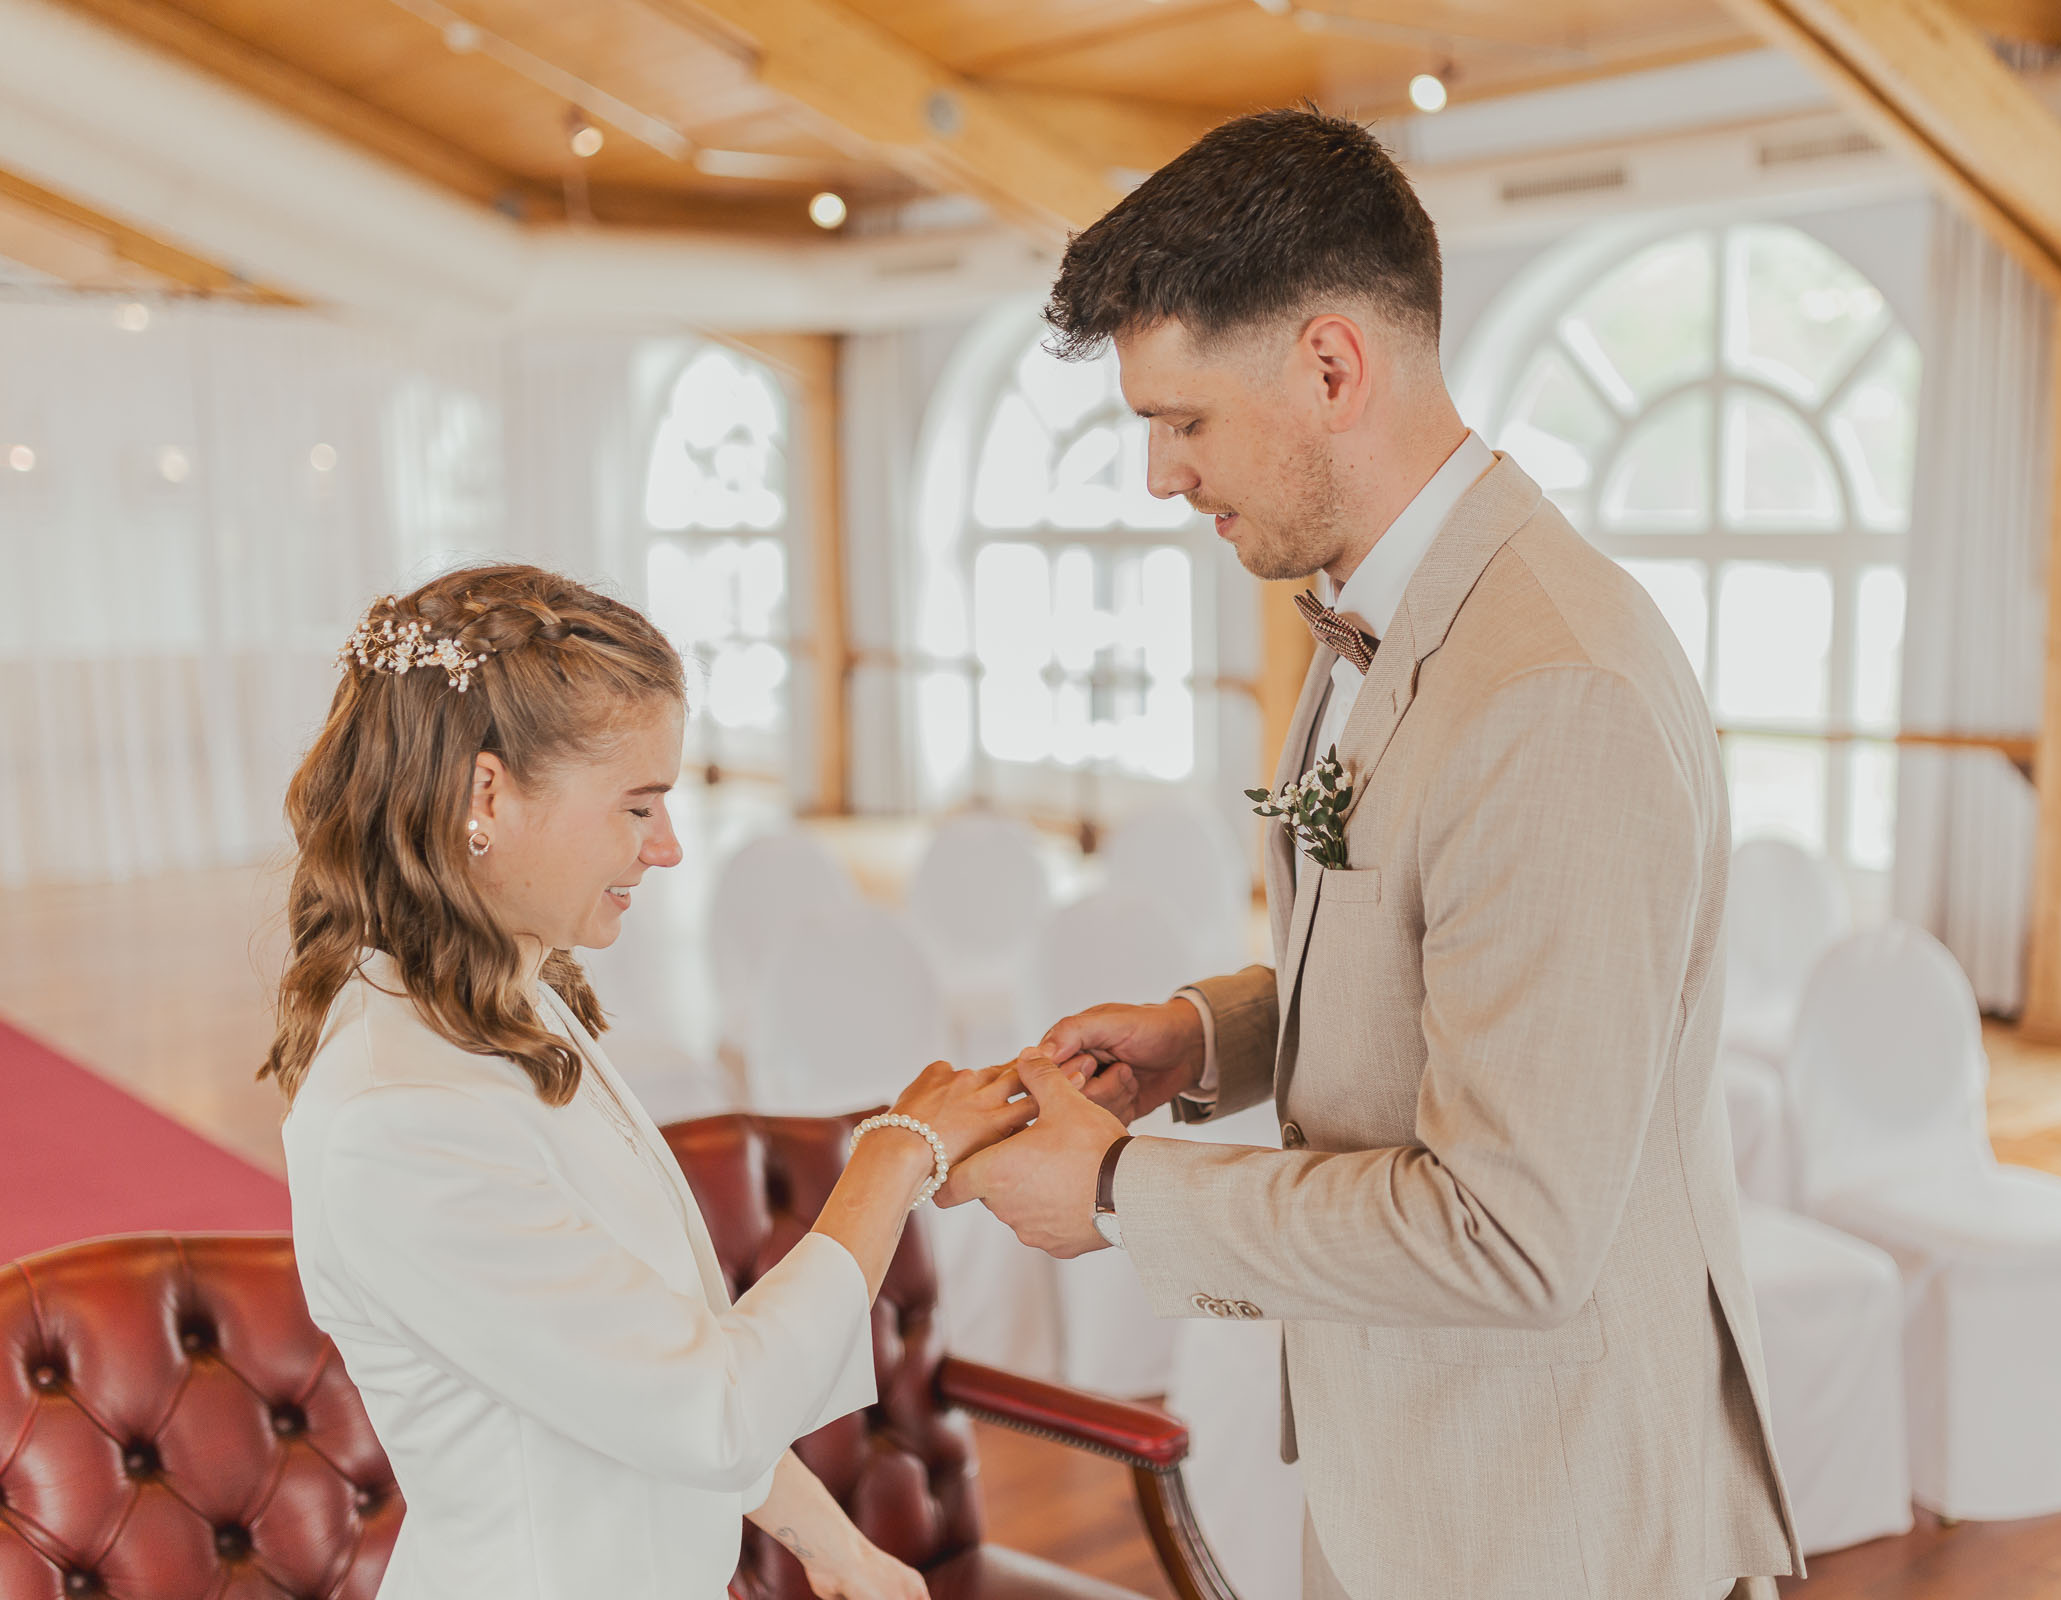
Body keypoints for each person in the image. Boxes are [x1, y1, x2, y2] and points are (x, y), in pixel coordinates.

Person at [944, 111, 1803, 1599]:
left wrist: (1116, 1195)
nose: (1159, 475)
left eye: (1185, 420)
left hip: (1549, 1512)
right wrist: (1207, 1040)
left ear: (1331, 367)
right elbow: (1429, 954)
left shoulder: (1553, 695)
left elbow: (1509, 1235)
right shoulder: (1389, 612)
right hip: (1412, 1460)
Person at [269, 566, 1030, 1600]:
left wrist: (829, 1543)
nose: (667, 848)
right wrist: (893, 1155)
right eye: (637, 804)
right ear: (487, 793)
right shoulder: (396, 1118)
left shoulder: (511, 997)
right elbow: (712, 1401)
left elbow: (648, 1351)